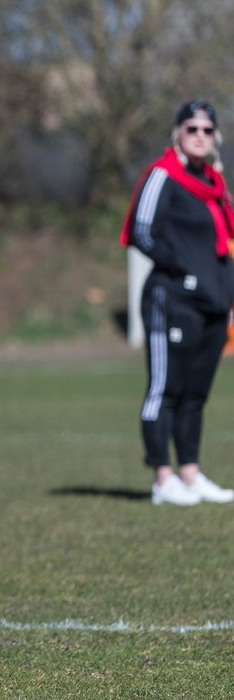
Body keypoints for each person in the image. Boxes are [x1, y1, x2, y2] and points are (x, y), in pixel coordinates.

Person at [122, 99, 234, 506]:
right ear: (178, 134)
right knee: (164, 390)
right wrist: (182, 273)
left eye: (207, 130)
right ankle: (162, 477)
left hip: (213, 306)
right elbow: (141, 230)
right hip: (172, 301)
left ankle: (190, 473)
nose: (200, 136)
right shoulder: (162, 176)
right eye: (192, 129)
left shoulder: (215, 186)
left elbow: (222, 247)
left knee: (195, 394)